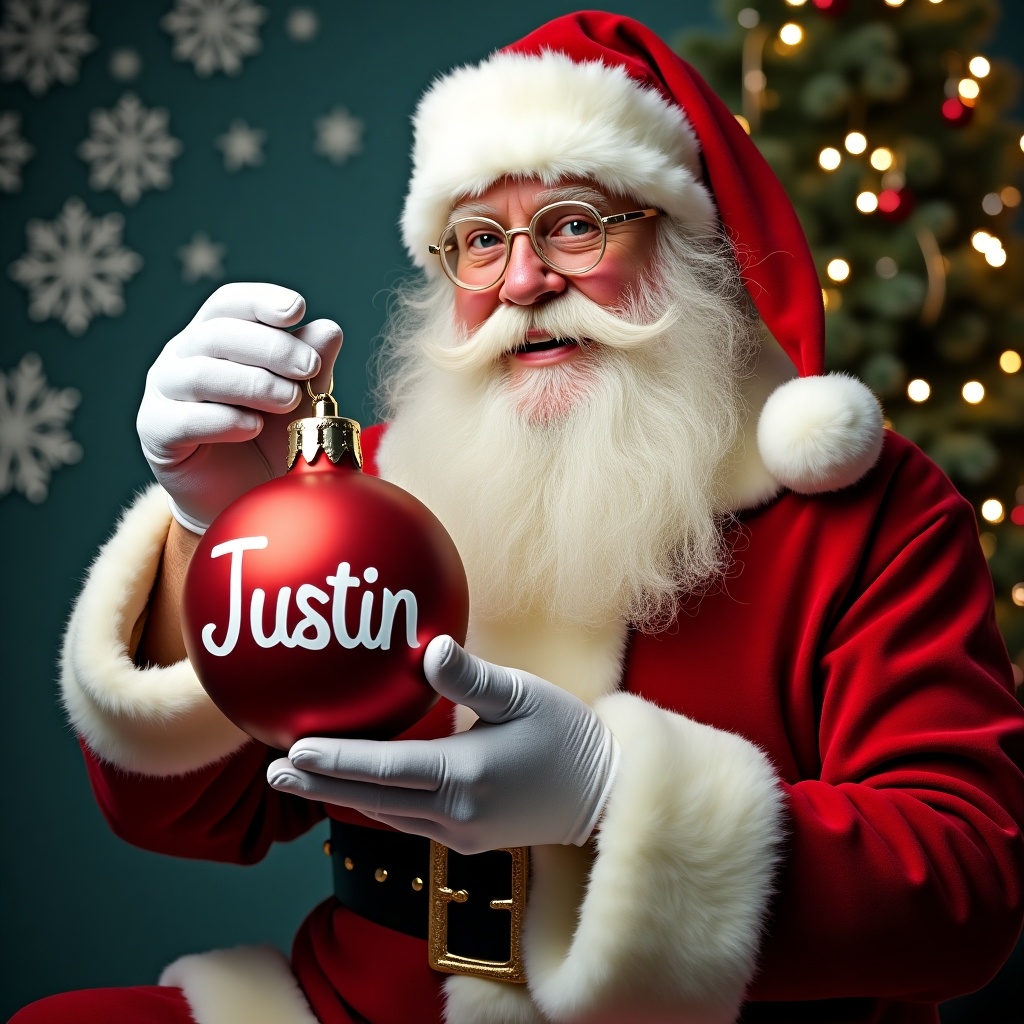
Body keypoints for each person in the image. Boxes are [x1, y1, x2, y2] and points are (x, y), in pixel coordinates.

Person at [13, 11, 1024, 1024]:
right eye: (480, 241)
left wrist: (611, 791)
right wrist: (215, 527)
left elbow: (967, 884)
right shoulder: (359, 498)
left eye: (576, 224)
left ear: (687, 244)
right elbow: (189, 815)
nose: (525, 280)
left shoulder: (861, 504)